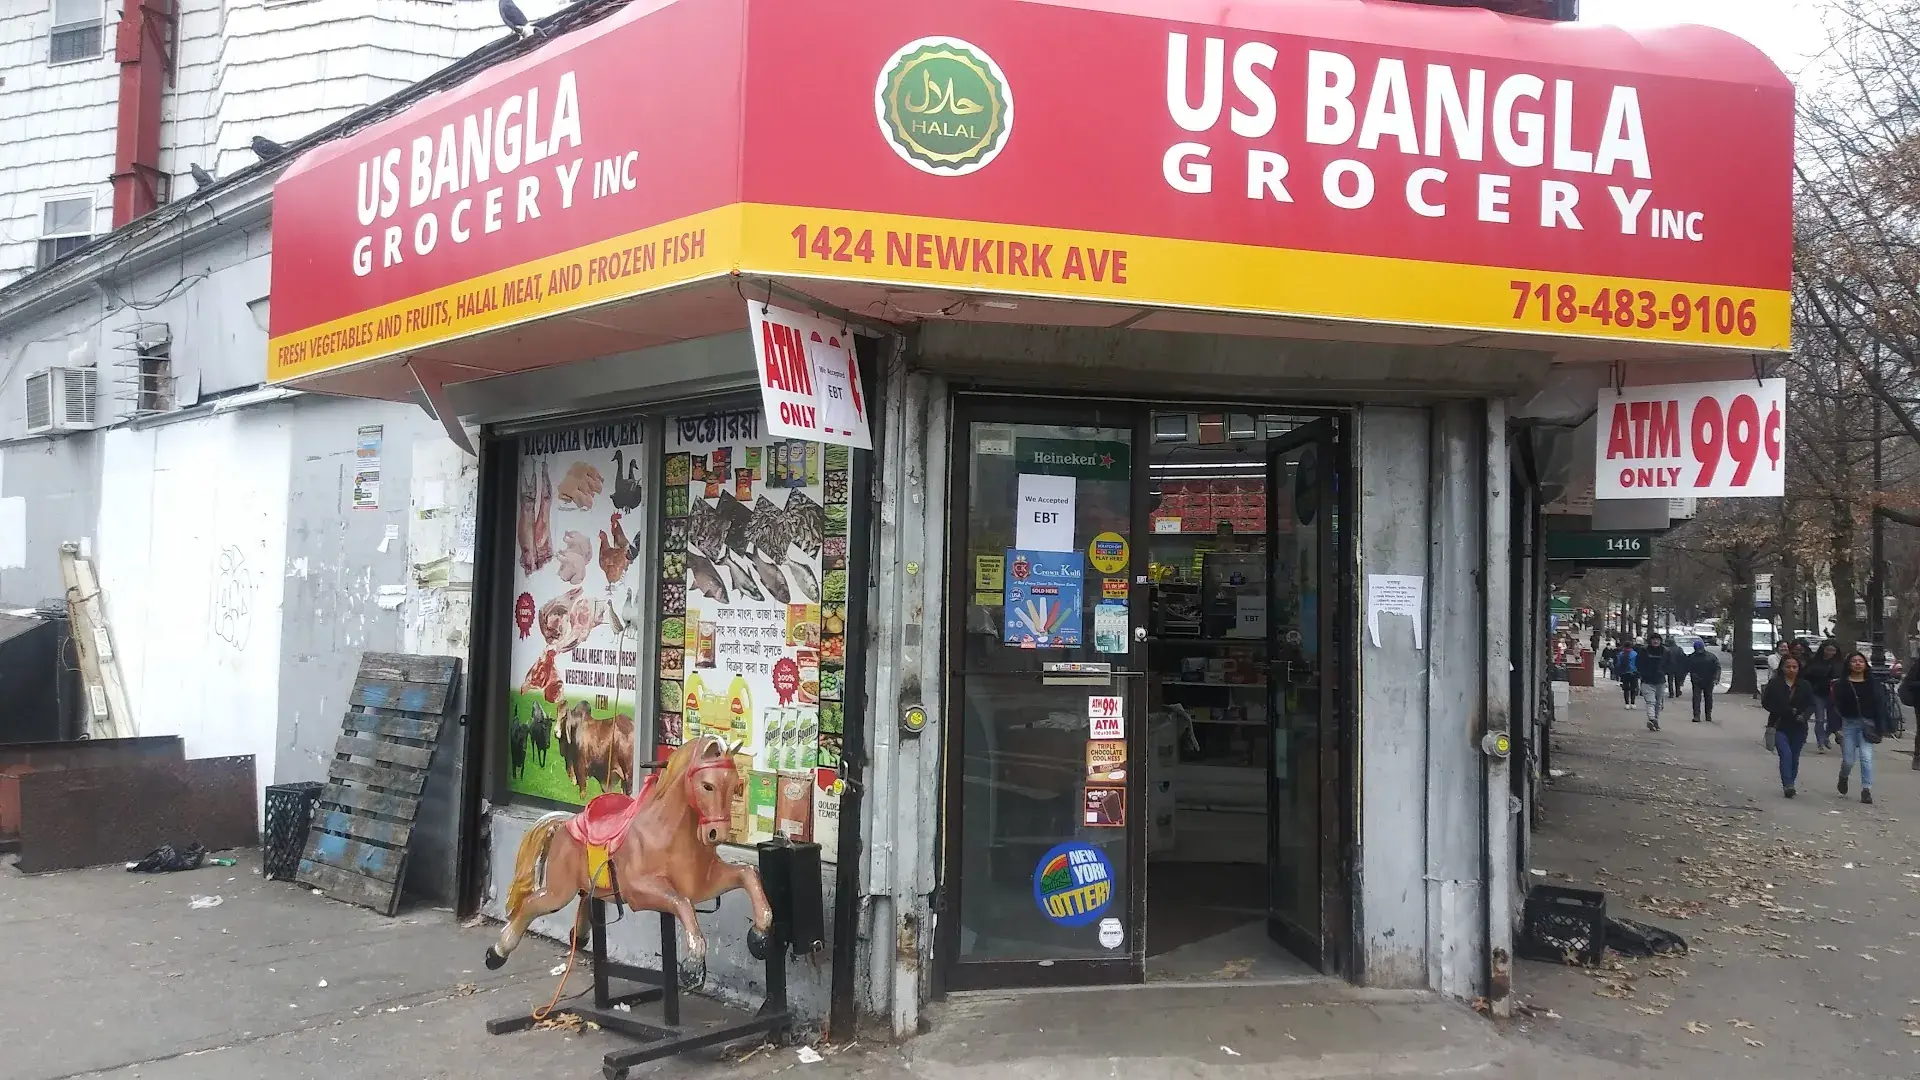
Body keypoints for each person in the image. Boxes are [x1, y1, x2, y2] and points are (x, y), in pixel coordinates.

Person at [1832, 651, 1885, 805]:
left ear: (1865, 665)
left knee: (1866, 757)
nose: (1857, 664)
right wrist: (1836, 727)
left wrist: (1881, 726)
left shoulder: (1873, 684)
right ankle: (1843, 776)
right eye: (1854, 661)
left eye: (1861, 661)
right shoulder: (1841, 684)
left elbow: (1881, 706)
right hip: (1849, 724)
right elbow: (1835, 707)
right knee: (1849, 760)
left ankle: (1866, 789)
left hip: (1867, 725)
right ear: (1848, 665)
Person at [1762, 656, 1815, 797]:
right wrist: (1784, 710)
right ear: (1782, 668)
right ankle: (1788, 785)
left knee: (1794, 757)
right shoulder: (1775, 684)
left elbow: (1811, 704)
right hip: (1779, 724)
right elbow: (1766, 703)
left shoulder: (1805, 685)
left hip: (1798, 726)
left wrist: (1804, 716)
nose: (1791, 670)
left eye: (1794, 667)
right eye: (1788, 667)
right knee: (1785, 754)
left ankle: (1791, 780)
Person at [1804, 641, 1841, 752]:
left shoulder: (1839, 663)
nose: (1830, 653)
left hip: (1834, 694)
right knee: (1819, 719)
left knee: (1833, 718)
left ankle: (1826, 736)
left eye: (1833, 650)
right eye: (1828, 650)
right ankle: (1820, 742)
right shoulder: (1814, 661)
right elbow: (1807, 675)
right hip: (1818, 693)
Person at [1637, 634, 1669, 730]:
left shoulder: (1665, 651)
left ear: (1660, 641)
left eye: (1657, 640)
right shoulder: (1644, 651)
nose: (1655, 641)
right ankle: (1651, 718)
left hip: (1660, 681)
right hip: (1647, 681)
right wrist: (1642, 673)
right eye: (1653, 639)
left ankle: (1655, 720)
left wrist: (1664, 671)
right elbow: (1638, 663)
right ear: (1650, 641)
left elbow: (1670, 663)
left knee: (1658, 703)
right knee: (1650, 701)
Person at [1687, 639, 1721, 722]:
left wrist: (1716, 678)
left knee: (1703, 697)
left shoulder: (1694, 657)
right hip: (1701, 679)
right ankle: (1701, 715)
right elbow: (1717, 668)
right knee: (1701, 698)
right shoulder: (1694, 657)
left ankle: (1704, 715)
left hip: (1705, 679)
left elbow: (1717, 668)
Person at [1618, 638, 1640, 709]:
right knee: (1633, 688)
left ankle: (1627, 703)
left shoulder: (1621, 654)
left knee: (1626, 689)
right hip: (1633, 672)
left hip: (1624, 672)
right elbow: (1637, 663)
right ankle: (1633, 703)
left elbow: (1619, 663)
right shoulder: (1634, 654)